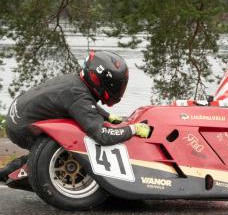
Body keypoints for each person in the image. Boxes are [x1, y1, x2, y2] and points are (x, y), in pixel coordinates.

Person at [0, 50, 150, 182]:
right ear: (102, 81)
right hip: (21, 129)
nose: (118, 89)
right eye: (116, 85)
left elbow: (79, 104)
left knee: (79, 126)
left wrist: (107, 116)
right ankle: (13, 170)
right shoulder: (79, 98)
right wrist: (133, 129)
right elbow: (103, 136)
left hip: (17, 114)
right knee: (80, 140)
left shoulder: (76, 81)